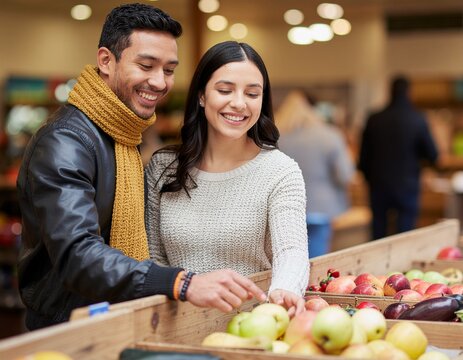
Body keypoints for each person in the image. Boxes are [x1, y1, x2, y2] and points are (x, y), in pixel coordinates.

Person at [16, 4, 266, 331]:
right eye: (146, 65)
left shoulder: (123, 131)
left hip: (116, 320)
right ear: (106, 60)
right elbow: (78, 255)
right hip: (69, 329)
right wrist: (182, 282)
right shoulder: (66, 141)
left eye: (169, 69)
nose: (159, 81)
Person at [145, 41, 309, 316]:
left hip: (253, 327)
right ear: (201, 95)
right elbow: (152, 257)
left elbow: (291, 249)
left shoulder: (281, 171)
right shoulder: (163, 167)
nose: (239, 103)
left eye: (252, 94)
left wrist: (286, 288)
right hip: (175, 328)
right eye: (225, 90)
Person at [358, 75, 439, 240]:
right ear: (409, 92)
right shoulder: (417, 119)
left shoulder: (374, 119)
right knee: (405, 234)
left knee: (378, 233)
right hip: (407, 185)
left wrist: (369, 177)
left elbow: (363, 158)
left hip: (379, 184)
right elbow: (433, 155)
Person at [277, 90, 355, 257]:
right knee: (316, 258)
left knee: (288, 258)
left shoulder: (275, 137)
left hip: (285, 207)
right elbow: (345, 174)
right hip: (321, 207)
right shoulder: (329, 135)